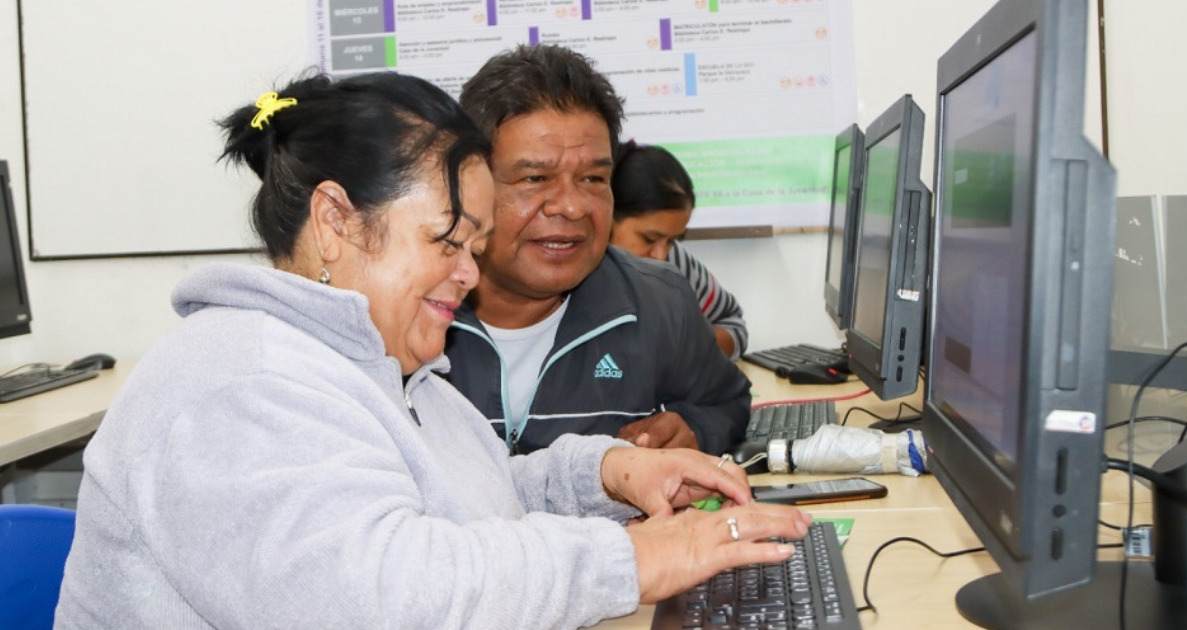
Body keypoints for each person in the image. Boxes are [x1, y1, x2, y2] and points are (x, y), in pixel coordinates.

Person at [54, 71, 812, 629]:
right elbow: (377, 598)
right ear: (336, 222)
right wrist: (638, 561)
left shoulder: (391, 371)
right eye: (448, 240)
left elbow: (477, 502)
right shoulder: (240, 385)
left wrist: (609, 473)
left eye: (475, 245)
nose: (470, 273)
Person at [445, 44, 751, 456]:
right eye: (535, 178)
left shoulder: (659, 302)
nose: (571, 207)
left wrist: (694, 429)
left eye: (592, 179)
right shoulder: (411, 313)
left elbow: (727, 404)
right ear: (470, 183)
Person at [610, 140, 749, 360]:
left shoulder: (675, 262)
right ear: (608, 214)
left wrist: (690, 346)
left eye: (673, 240)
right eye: (649, 238)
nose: (661, 255)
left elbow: (733, 326)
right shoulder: (568, 271)